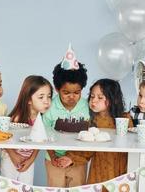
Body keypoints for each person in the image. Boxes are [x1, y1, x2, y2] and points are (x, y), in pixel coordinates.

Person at [58, 79, 132, 191]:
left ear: (114, 100)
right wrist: (71, 158)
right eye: (92, 96)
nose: (94, 100)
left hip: (122, 171)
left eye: (100, 97)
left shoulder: (124, 118)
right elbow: (87, 149)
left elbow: (132, 143)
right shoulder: (91, 121)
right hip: (99, 170)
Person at [42, 44, 90, 187]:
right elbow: (43, 134)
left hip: (78, 160)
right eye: (66, 93)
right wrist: (54, 156)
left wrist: (73, 157)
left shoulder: (87, 107)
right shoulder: (50, 107)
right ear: (57, 89)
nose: (71, 97)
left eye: (76, 92)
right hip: (53, 159)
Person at [0, 75, 53, 184]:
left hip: (28, 160)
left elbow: (39, 142)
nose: (46, 101)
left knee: (26, 187)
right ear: (29, 99)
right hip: (10, 159)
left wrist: (31, 160)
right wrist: (14, 156)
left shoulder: (43, 119)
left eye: (49, 96)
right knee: (9, 188)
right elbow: (3, 138)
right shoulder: (17, 118)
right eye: (41, 97)